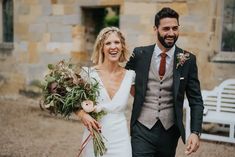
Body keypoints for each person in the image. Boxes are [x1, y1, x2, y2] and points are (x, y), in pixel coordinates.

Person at [125, 7, 204, 157]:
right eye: (166, 28)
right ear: (155, 29)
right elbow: (122, 77)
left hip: (170, 131)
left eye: (175, 28)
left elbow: (196, 100)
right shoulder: (140, 54)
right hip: (142, 128)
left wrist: (195, 132)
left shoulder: (188, 59)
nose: (171, 33)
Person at [76, 27, 135, 157]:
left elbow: (145, 98)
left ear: (122, 46)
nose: (113, 47)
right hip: (95, 136)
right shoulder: (88, 74)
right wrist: (82, 114)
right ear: (101, 47)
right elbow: (73, 102)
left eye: (117, 42)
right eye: (108, 43)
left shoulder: (130, 76)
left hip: (121, 139)